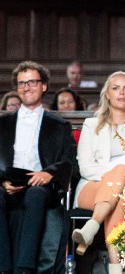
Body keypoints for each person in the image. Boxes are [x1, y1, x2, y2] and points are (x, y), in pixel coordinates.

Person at [71, 71, 125, 274]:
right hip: (91, 186)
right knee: (121, 177)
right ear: (107, 94)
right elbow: (85, 167)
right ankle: (116, 267)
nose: (121, 92)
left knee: (123, 191)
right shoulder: (91, 125)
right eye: (115, 88)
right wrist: (116, 176)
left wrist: (122, 178)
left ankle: (93, 228)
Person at [0, 61, 78, 274]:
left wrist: (49, 173)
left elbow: (71, 163)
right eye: (22, 83)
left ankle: (25, 267)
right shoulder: (3, 123)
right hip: (8, 181)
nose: (27, 87)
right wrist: (3, 181)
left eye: (32, 82)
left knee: (34, 195)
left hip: (41, 185)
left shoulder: (59, 125)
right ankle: (4, 266)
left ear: (43, 86)